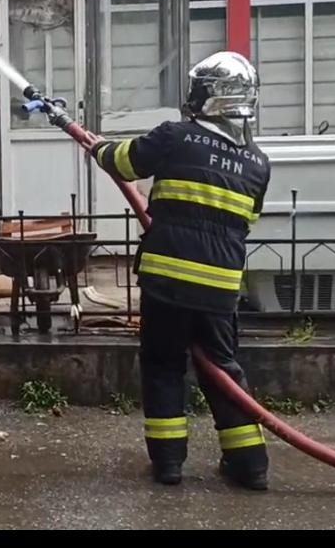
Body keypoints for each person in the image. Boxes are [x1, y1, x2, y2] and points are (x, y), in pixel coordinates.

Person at [90, 51, 271, 491]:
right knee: (223, 369)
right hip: (221, 287)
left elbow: (124, 162)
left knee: (164, 365)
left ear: (206, 96)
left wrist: (98, 146)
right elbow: (247, 223)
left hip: (167, 280)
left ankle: (169, 464)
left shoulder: (176, 137)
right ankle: (251, 467)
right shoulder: (258, 163)